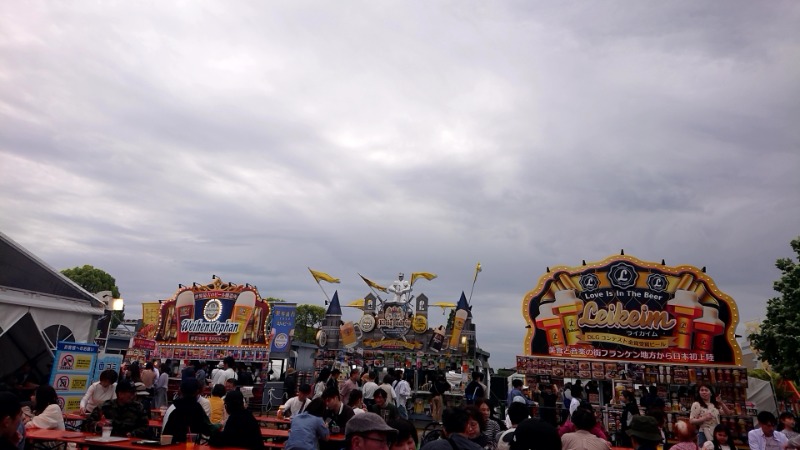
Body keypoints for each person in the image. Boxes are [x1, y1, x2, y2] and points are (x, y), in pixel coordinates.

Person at [85, 380, 150, 438]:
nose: (134, 395)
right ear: (120, 394)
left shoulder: (138, 408)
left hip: (128, 443)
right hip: (107, 442)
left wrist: (133, 434)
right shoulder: (105, 407)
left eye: (134, 393)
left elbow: (146, 428)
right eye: (131, 393)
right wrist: (98, 425)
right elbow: (87, 424)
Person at [162, 379, 214, 443]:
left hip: (170, 445)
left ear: (181, 390)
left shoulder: (173, 407)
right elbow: (206, 429)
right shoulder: (197, 408)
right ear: (197, 391)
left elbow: (165, 432)